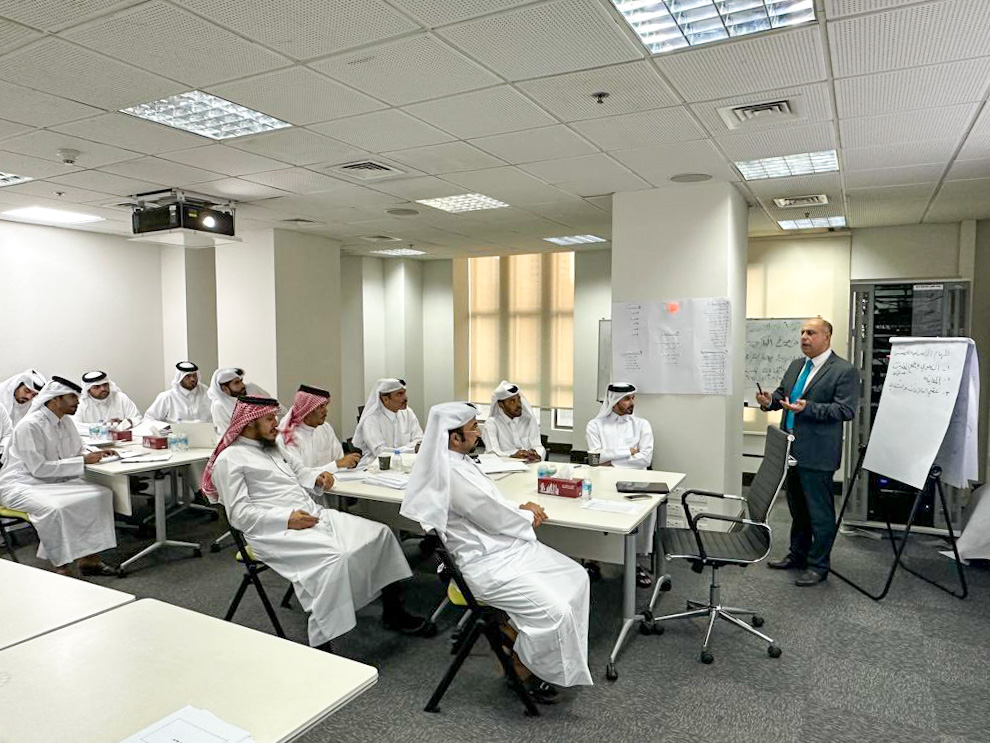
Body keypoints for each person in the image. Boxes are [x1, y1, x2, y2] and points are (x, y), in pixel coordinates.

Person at [402, 401, 592, 701]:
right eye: (473, 428)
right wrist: (528, 516)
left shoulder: (460, 462)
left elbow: (491, 504)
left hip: (503, 549)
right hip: (485, 564)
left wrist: (521, 507)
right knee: (556, 611)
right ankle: (523, 665)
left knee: (577, 576)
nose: (478, 433)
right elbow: (490, 514)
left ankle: (537, 652)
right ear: (454, 437)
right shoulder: (451, 473)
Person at [203, 395, 427, 648]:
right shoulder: (229, 460)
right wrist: (286, 518)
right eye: (269, 419)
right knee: (335, 558)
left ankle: (393, 612)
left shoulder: (274, 446)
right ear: (248, 423)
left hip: (312, 514)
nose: (276, 423)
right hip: (272, 530)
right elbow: (239, 515)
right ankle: (323, 641)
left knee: (381, 534)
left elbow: (301, 472)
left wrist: (319, 477)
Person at [756, 317, 859, 587]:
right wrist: (769, 402)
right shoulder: (795, 366)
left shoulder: (843, 370)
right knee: (798, 509)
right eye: (802, 332)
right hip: (789, 449)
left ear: (827, 337)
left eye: (811, 332)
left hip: (818, 452)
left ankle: (818, 566)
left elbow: (846, 410)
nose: (804, 337)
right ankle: (798, 555)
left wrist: (809, 408)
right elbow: (782, 395)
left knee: (820, 513)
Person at [0, 377, 118, 575]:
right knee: (56, 509)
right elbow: (38, 469)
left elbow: (77, 450)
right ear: (54, 399)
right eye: (72, 397)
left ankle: (89, 560)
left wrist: (95, 454)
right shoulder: (29, 425)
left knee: (101, 493)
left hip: (55, 482)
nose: (78, 401)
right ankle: (60, 567)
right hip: (21, 485)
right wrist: (83, 461)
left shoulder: (66, 422)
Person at [585, 382, 655, 587]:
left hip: (636, 480)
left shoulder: (642, 425)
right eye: (626, 399)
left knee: (637, 519)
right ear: (614, 401)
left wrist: (610, 459)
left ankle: (634, 563)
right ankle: (592, 558)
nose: (631, 403)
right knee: (595, 515)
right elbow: (594, 460)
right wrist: (627, 452)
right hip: (603, 480)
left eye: (633, 398)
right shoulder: (595, 425)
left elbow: (645, 459)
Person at [277, 384, 360, 473]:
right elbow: (300, 474)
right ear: (307, 410)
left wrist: (347, 464)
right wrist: (336, 465)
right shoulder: (287, 436)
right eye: (321, 407)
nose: (326, 411)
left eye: (325, 406)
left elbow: (340, 461)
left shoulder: (326, 429)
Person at [352, 378, 423, 466]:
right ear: (385, 399)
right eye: (399, 394)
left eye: (404, 393)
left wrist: (406, 450)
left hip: (407, 464)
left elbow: (419, 441)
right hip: (376, 467)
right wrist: (411, 449)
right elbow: (380, 452)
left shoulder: (408, 413)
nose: (405, 398)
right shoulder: (371, 419)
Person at [482, 381, 545, 463]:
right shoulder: (491, 424)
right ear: (501, 405)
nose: (518, 404)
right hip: (503, 468)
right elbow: (492, 453)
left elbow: (538, 446)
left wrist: (537, 454)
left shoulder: (528, 420)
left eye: (518, 399)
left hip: (528, 465)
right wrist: (512, 455)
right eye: (512, 401)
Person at [208, 367, 274, 434]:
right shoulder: (219, 406)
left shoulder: (251, 389)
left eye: (241, 381)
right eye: (236, 383)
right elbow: (226, 433)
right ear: (225, 388)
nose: (242, 385)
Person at [75, 370, 142, 434]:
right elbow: (75, 426)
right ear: (88, 390)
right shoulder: (80, 403)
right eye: (97, 387)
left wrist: (126, 422)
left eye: (105, 385)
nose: (103, 389)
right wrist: (104, 427)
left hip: (121, 441)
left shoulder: (121, 398)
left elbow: (138, 418)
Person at [146, 361, 212, 423]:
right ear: (180, 378)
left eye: (194, 375)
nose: (192, 379)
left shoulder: (207, 393)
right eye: (188, 376)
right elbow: (149, 418)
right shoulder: (167, 397)